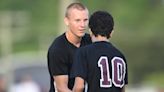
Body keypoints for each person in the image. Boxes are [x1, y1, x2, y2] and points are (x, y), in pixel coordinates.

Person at [71, 11, 128, 92]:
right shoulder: (120, 56)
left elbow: (79, 87)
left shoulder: (83, 53)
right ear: (111, 32)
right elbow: (122, 89)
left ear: (90, 31)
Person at [47, 2, 91, 92]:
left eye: (85, 20)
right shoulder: (57, 49)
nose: (82, 25)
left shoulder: (91, 42)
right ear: (67, 21)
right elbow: (61, 88)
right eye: (77, 20)